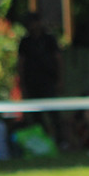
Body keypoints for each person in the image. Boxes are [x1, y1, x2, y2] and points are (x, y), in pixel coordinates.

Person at [18, 12, 65, 148]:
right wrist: (22, 84)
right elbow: (21, 63)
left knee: (54, 113)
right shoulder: (25, 42)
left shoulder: (49, 39)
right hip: (32, 82)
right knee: (36, 115)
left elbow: (58, 59)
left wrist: (60, 79)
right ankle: (43, 142)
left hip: (48, 80)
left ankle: (61, 141)